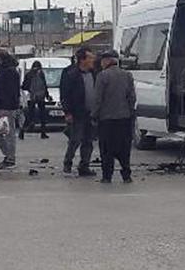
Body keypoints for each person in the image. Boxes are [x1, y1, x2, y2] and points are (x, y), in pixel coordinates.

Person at [92, 50, 136, 184]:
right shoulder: (127, 75)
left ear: (106, 61)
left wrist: (94, 115)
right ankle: (126, 175)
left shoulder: (102, 76)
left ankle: (107, 176)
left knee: (106, 149)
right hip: (124, 118)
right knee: (124, 148)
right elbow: (132, 97)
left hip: (106, 119)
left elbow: (98, 99)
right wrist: (129, 111)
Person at [60, 47, 97, 177]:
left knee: (88, 141)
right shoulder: (70, 73)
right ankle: (67, 164)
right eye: (90, 58)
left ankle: (84, 166)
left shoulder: (94, 73)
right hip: (77, 113)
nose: (93, 60)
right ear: (82, 60)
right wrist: (67, 112)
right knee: (75, 140)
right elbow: (64, 94)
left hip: (91, 113)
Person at [0, 50, 21, 169]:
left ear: (1, 59)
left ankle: (10, 157)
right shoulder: (4, 71)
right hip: (1, 105)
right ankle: (8, 155)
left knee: (8, 133)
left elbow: (6, 89)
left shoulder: (9, 72)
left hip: (7, 106)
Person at [21, 60, 52, 139]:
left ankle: (23, 131)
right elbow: (44, 85)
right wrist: (47, 96)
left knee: (30, 115)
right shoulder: (41, 74)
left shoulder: (29, 74)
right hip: (40, 97)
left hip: (32, 97)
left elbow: (24, 86)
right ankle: (43, 133)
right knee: (42, 115)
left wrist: (30, 90)